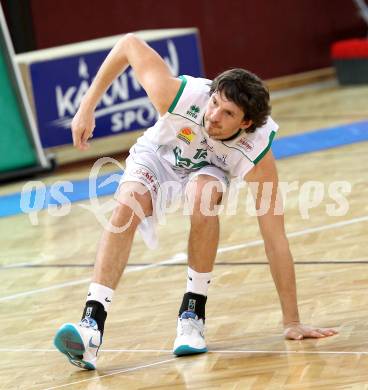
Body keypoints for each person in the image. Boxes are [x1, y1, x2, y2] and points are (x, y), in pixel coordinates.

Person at [53, 33, 337, 370]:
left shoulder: (257, 152)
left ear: (245, 123)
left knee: (202, 198)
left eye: (226, 113)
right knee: (126, 206)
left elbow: (275, 239)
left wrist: (292, 320)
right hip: (159, 156)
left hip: (208, 168)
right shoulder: (179, 96)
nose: (213, 115)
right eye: (214, 102)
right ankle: (91, 326)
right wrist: (86, 107)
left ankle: (192, 314)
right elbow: (129, 44)